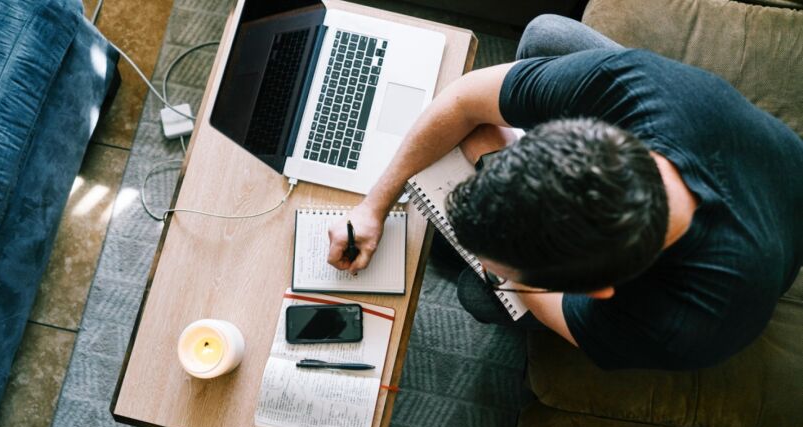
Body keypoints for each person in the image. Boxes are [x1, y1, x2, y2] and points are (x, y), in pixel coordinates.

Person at [326, 15, 803, 370]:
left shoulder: (678, 324)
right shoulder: (632, 87)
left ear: (596, 291)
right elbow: (465, 97)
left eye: (510, 272)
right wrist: (374, 204)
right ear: (576, 133)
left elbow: (559, 312)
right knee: (545, 36)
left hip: (767, 257)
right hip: (764, 167)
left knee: (478, 293)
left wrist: (501, 281)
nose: (494, 268)